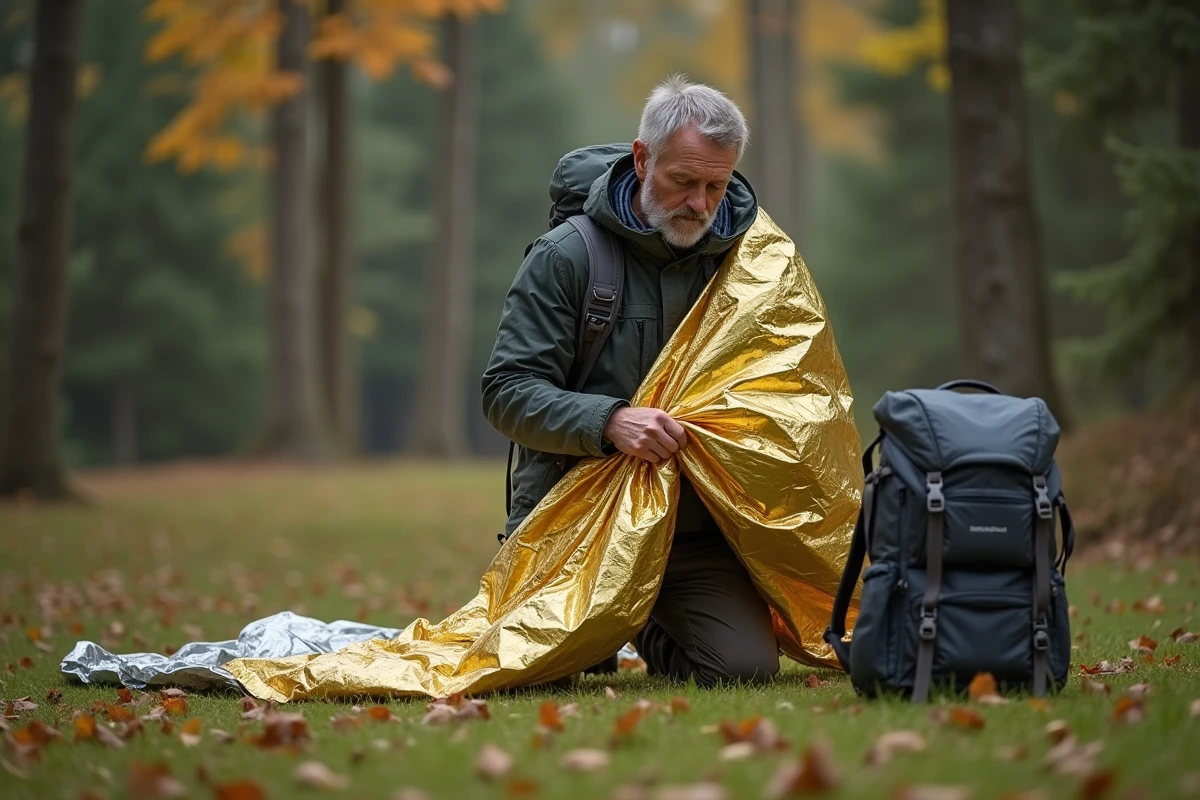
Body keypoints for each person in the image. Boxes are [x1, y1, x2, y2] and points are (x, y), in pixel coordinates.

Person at [481, 76, 779, 687]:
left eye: (716, 186)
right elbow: (506, 390)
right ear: (643, 159)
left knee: (744, 671)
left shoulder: (752, 260)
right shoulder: (567, 256)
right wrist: (609, 421)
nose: (700, 204)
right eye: (683, 182)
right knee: (533, 677)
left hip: (694, 533)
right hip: (575, 522)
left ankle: (642, 623)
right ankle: (595, 622)